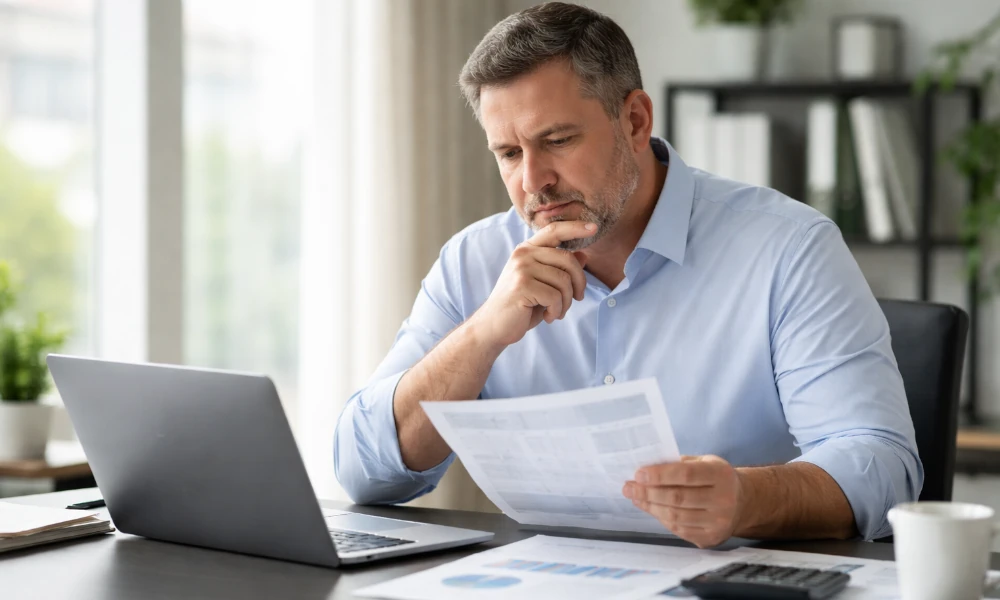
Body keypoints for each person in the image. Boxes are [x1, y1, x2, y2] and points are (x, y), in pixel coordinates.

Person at [333, 2, 921, 548]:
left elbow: (883, 465)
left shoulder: (789, 249)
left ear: (635, 120)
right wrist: (483, 335)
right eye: (509, 154)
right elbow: (363, 471)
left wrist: (746, 499)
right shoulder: (473, 263)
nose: (533, 180)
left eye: (557, 140)